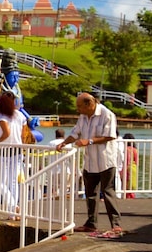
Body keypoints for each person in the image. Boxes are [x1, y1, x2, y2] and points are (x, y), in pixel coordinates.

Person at [56, 93, 122, 237]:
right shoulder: (83, 117)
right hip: (90, 161)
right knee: (90, 193)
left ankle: (116, 224)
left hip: (105, 160)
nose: (78, 109)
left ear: (89, 104)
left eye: (80, 106)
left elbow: (110, 135)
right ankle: (91, 223)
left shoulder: (107, 114)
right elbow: (75, 132)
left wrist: (89, 141)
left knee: (108, 191)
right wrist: (64, 142)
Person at [0, 91, 26, 214]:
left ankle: (13, 206)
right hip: (17, 149)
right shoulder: (19, 115)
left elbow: (6, 133)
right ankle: (14, 210)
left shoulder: (2, 116)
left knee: (0, 181)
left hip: (4, 150)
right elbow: (23, 133)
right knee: (13, 181)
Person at [121, 133, 138, 198]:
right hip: (134, 169)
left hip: (127, 169)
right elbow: (136, 161)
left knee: (125, 186)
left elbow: (126, 161)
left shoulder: (125, 149)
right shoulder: (135, 150)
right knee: (132, 187)